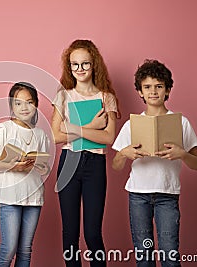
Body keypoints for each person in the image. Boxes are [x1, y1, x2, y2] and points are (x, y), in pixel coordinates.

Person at [112, 59, 197, 267]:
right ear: (140, 92)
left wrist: (181, 153)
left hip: (167, 195)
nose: (153, 91)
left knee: (170, 253)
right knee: (143, 254)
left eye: (159, 86)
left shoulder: (181, 122)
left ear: (168, 90)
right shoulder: (131, 125)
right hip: (138, 195)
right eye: (147, 87)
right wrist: (124, 153)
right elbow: (116, 166)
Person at [51, 39, 119, 267]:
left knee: (92, 233)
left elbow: (108, 138)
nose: (79, 69)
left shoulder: (105, 97)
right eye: (74, 65)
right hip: (68, 162)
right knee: (70, 234)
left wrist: (72, 128)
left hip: (94, 164)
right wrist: (90, 127)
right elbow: (56, 136)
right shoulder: (63, 96)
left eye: (85, 64)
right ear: (69, 67)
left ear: (94, 65)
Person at [0, 82, 50, 267]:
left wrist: (41, 167)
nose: (24, 108)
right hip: (11, 197)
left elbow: (45, 168)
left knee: (25, 250)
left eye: (29, 102)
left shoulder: (40, 134)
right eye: (18, 103)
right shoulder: (3, 129)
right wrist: (12, 166)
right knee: (8, 249)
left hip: (34, 197)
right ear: (11, 106)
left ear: (36, 104)